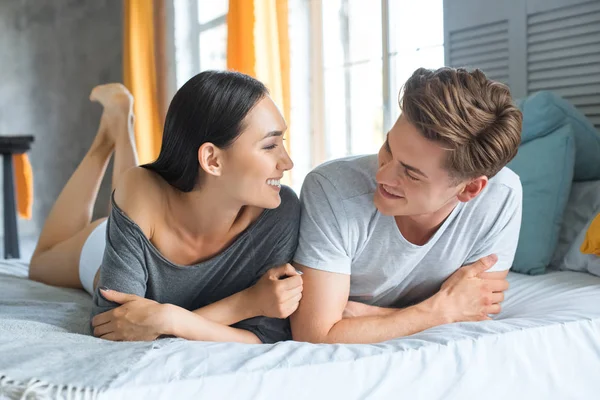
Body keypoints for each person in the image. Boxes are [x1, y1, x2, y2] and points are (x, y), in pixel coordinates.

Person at [28, 70, 303, 344]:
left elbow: (263, 337)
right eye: (270, 146)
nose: (287, 162)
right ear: (212, 159)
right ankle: (107, 138)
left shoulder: (280, 212)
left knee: (133, 191)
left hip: (140, 219)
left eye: (283, 143)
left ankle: (119, 125)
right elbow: (115, 326)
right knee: (41, 264)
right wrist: (245, 303)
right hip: (106, 242)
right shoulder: (140, 193)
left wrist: (168, 319)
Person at [290, 67, 523, 344]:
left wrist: (366, 316)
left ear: (470, 188)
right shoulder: (333, 189)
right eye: (388, 148)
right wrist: (439, 310)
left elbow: (474, 311)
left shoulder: (501, 196)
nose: (382, 176)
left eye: (411, 174)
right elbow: (315, 334)